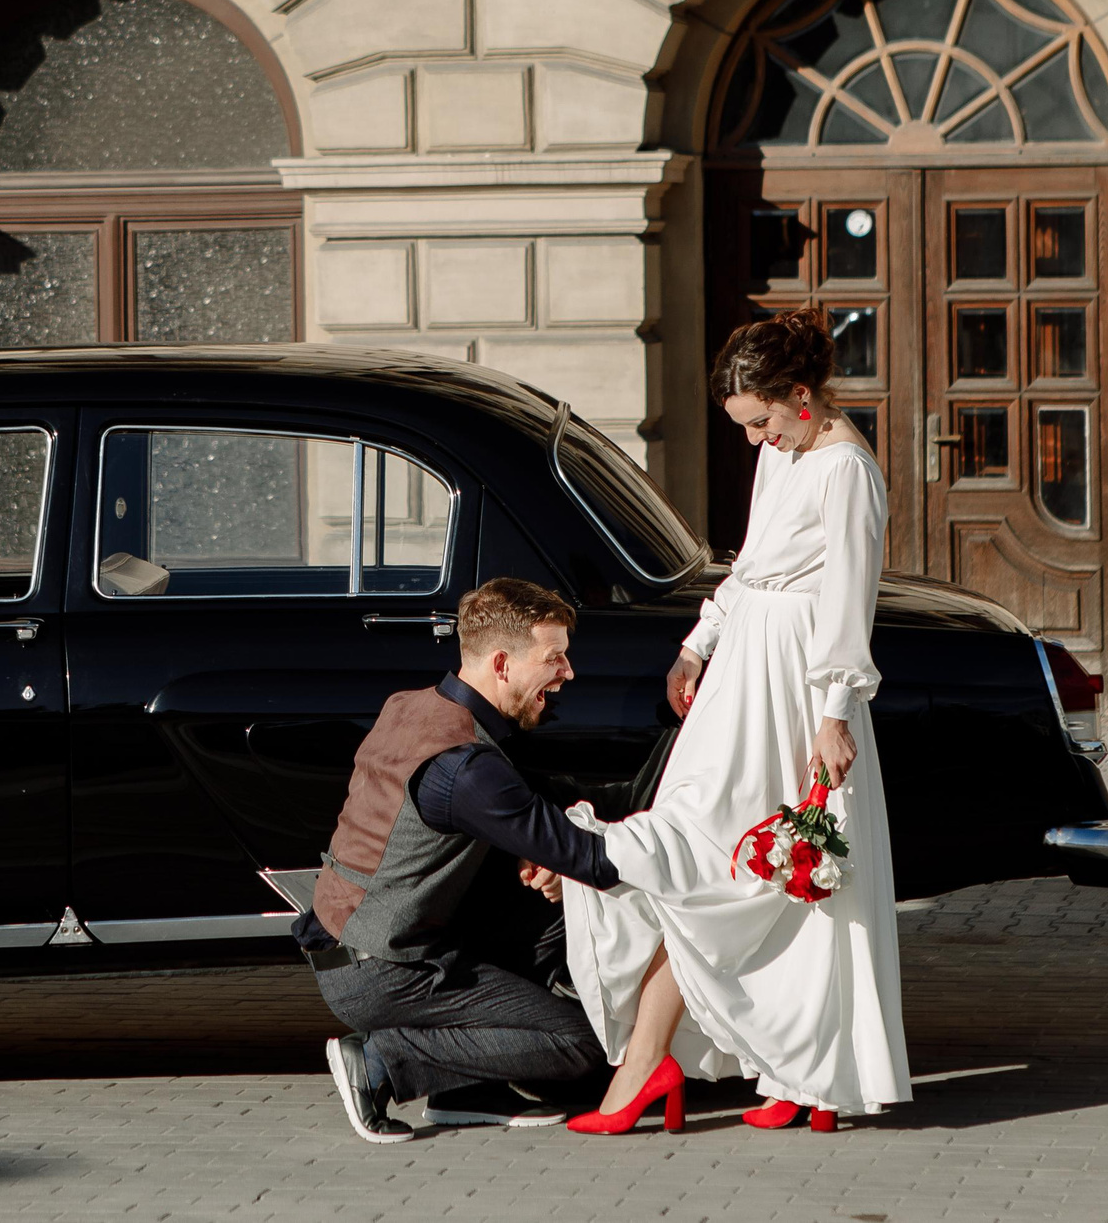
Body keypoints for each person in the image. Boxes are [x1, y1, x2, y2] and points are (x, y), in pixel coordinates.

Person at [555, 307, 911, 1135]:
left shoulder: (845, 470)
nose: (755, 440)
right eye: (744, 427)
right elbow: (749, 566)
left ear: (800, 395)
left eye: (760, 421)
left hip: (796, 687)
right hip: (742, 674)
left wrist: (832, 713)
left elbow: (849, 601)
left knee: (783, 867)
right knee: (730, 856)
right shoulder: (786, 451)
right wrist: (696, 646)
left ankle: (796, 1074)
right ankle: (783, 1069)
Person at [303, 577, 628, 1143]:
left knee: (550, 916)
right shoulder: (466, 768)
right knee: (579, 1043)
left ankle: (467, 1088)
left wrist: (535, 852)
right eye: (554, 659)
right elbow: (588, 859)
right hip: (381, 970)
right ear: (502, 664)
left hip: (353, 941)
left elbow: (513, 809)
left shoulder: (413, 706)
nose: (568, 674)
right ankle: (380, 1062)